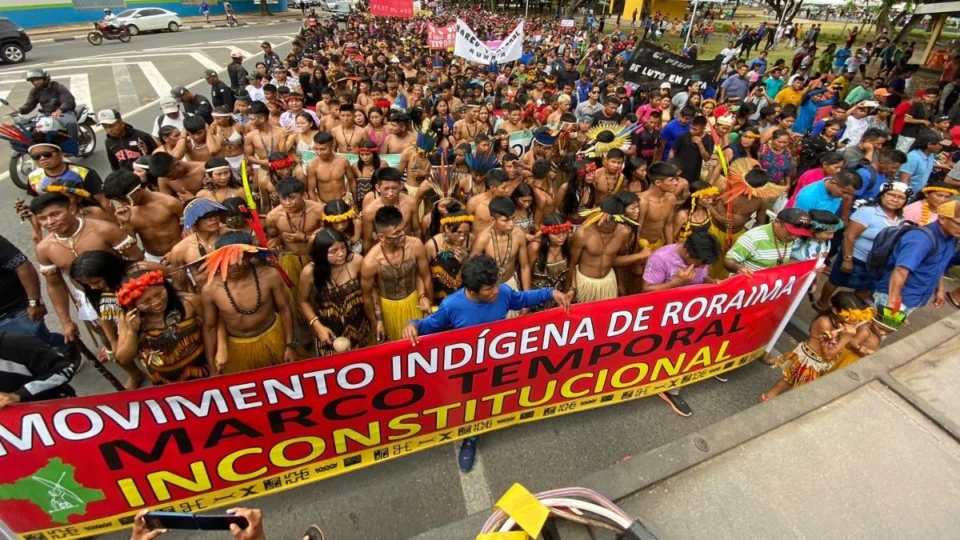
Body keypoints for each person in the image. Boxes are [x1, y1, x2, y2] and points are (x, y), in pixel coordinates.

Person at [401, 254, 571, 471]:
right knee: (471, 404)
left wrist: (551, 293)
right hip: (470, 370)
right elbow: (429, 326)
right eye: (489, 289)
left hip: (500, 362)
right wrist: (412, 324)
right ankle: (471, 437)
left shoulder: (504, 293)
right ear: (472, 290)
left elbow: (523, 299)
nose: (496, 292)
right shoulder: (451, 305)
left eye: (496, 285)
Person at [32, 193, 142, 344]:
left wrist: (136, 290)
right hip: (87, 297)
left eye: (55, 214)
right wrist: (65, 321)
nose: (50, 222)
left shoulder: (104, 230)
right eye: (42, 218)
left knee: (140, 332)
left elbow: (136, 258)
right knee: (107, 337)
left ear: (71, 209)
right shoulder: (44, 249)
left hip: (124, 288)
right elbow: (55, 285)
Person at [642, 230, 721, 417]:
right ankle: (670, 389)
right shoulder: (660, 258)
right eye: (700, 263)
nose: (702, 266)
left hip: (693, 314)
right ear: (687, 252)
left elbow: (701, 277)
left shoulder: (700, 258)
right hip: (666, 318)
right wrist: (676, 282)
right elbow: (645, 292)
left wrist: (712, 283)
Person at [200, 232, 299, 374]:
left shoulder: (269, 275)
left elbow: (285, 309)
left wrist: (290, 345)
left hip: (274, 339)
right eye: (228, 259)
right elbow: (210, 327)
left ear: (250, 255)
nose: (234, 264)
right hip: (237, 347)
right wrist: (212, 366)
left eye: (239, 258)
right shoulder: (210, 289)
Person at [815, 182, 910, 310]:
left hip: (876, 264)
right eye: (891, 195)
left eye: (901, 197)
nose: (895, 199)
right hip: (855, 258)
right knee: (836, 281)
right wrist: (847, 259)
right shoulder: (867, 212)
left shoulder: (900, 219)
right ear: (882, 196)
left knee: (865, 289)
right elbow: (849, 236)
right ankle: (822, 302)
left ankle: (848, 310)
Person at [762, 292, 867, 401]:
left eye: (856, 318)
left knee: (789, 380)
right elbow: (828, 355)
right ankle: (768, 398)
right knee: (789, 381)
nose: (854, 321)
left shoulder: (840, 322)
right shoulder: (825, 323)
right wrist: (846, 338)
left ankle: (768, 397)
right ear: (835, 311)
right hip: (809, 360)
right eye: (849, 316)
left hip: (818, 361)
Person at [115, 270, 209, 384]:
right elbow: (123, 359)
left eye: (159, 294)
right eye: (146, 301)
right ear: (133, 305)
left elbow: (213, 325)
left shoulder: (189, 302)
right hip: (163, 382)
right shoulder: (127, 319)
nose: (156, 302)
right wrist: (132, 332)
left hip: (202, 372)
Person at [876, 200, 960, 318]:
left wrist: (940, 290)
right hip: (895, 297)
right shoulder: (921, 239)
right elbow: (900, 271)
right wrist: (892, 303)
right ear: (942, 219)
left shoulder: (952, 238)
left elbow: (939, 265)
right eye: (958, 223)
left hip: (914, 298)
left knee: (882, 332)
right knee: (875, 332)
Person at [360, 206, 433, 343]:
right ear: (381, 236)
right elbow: (368, 295)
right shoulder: (370, 262)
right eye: (396, 234)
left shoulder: (415, 245)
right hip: (388, 308)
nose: (402, 236)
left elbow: (425, 276)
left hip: (414, 302)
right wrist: (377, 322)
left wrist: (427, 299)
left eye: (403, 230)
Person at [568, 196, 643, 303]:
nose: (604, 223)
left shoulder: (623, 233)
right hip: (584, 284)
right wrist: (570, 289)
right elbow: (571, 264)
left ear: (619, 220)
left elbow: (617, 260)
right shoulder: (583, 234)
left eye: (610, 220)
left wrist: (620, 283)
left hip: (608, 283)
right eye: (602, 218)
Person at [103, 171, 184, 263]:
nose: (123, 203)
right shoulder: (126, 212)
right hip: (152, 259)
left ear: (137, 191)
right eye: (117, 201)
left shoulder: (169, 203)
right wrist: (125, 223)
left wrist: (178, 252)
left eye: (125, 199)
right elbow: (132, 244)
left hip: (179, 253)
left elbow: (190, 229)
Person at [0, 235, 61, 346]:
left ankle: (66, 346)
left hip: (15, 312)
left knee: (40, 344)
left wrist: (35, 303)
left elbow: (23, 266)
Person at [724, 207, 813, 278]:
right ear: (776, 222)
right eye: (790, 232)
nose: (794, 237)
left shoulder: (788, 238)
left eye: (798, 234)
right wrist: (739, 268)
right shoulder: (753, 238)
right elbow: (728, 261)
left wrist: (810, 266)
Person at [0, 332, 79, 409]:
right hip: (13, 419)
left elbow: (63, 368)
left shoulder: (15, 345)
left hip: (55, 408)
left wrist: (19, 395)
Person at [19, 68, 79, 140]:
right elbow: (29, 105)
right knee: (31, 127)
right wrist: (19, 111)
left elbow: (67, 101)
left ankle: (73, 145)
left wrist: (59, 110)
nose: (35, 82)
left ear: (45, 78)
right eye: (33, 81)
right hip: (46, 114)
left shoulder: (58, 87)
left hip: (64, 113)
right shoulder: (35, 91)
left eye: (38, 80)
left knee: (71, 124)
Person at [791, 169, 862, 215]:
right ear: (833, 182)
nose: (846, 197)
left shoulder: (836, 192)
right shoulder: (808, 196)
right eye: (844, 192)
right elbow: (797, 222)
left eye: (851, 194)